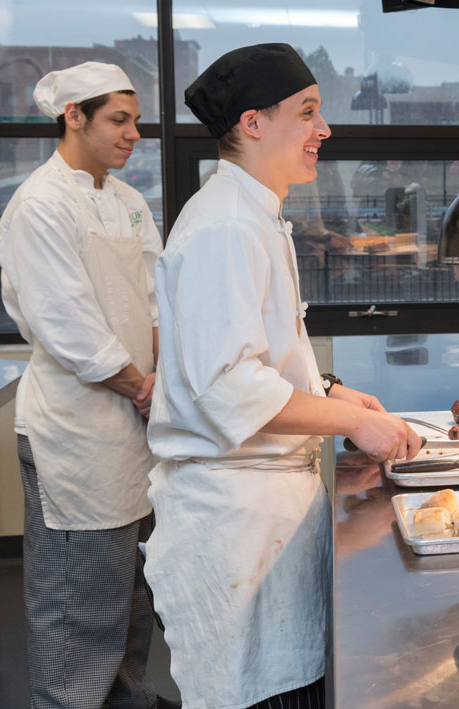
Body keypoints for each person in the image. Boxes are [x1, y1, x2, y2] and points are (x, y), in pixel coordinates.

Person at [142, 43, 422, 708]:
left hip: (265, 515)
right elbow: (230, 387)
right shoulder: (224, 229)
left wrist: (328, 392)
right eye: (308, 112)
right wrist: (357, 421)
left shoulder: (253, 215)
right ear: (252, 123)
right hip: (235, 528)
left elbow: (251, 354)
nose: (323, 129)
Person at [0, 61, 162, 708]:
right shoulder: (39, 206)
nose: (133, 134)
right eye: (119, 119)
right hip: (76, 431)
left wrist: (158, 376)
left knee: (129, 593)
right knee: (76, 601)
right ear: (74, 116)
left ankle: (128, 698)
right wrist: (142, 387)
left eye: (135, 120)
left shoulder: (127, 200)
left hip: (131, 421)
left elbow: (152, 300)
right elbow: (69, 327)